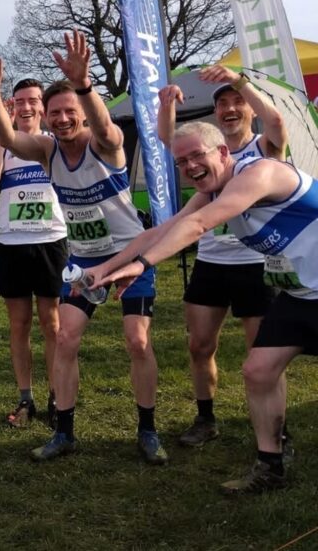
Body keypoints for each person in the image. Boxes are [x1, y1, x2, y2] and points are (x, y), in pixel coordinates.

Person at [88, 121, 317, 493]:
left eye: (197, 155)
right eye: (181, 162)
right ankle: (271, 466)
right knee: (258, 371)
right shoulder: (213, 191)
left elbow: (198, 225)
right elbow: (159, 231)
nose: (190, 167)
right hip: (301, 295)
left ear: (223, 152)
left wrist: (142, 265)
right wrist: (105, 268)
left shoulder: (261, 173)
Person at [0, 35, 166, 464]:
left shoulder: (104, 144)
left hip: (129, 255)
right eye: (55, 112)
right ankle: (64, 431)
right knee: (64, 337)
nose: (62, 120)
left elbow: (106, 127)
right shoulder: (47, 151)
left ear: (82, 111)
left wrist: (84, 85)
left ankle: (148, 430)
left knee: (137, 341)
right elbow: (7, 137)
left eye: (69, 111)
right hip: (84, 261)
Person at [156, 65, 287, 448]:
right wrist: (167, 105)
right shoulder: (205, 150)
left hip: (257, 265)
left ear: (249, 108)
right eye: (223, 104)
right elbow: (168, 139)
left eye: (237, 102)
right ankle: (205, 418)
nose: (230, 109)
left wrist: (240, 80)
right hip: (211, 262)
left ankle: (277, 431)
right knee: (199, 346)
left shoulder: (264, 147)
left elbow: (277, 121)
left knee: (262, 355)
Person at [0, 79, 67, 428]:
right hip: (13, 243)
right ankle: (26, 398)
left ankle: (57, 396)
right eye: (19, 102)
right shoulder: (2, 145)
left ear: (43, 107)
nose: (26, 107)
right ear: (11, 106)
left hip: (50, 240)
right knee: (19, 325)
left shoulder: (54, 143)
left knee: (52, 323)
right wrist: (0, 138)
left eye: (33, 101)